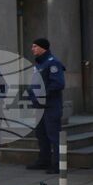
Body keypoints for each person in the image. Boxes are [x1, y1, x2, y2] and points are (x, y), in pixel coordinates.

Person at [26, 38, 65, 174]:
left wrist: (42, 96)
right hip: (39, 107)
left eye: (35, 46)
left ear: (43, 48)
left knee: (53, 135)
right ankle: (44, 160)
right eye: (32, 46)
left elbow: (58, 84)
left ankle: (58, 164)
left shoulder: (53, 63)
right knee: (41, 135)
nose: (32, 49)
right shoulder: (38, 65)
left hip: (51, 106)